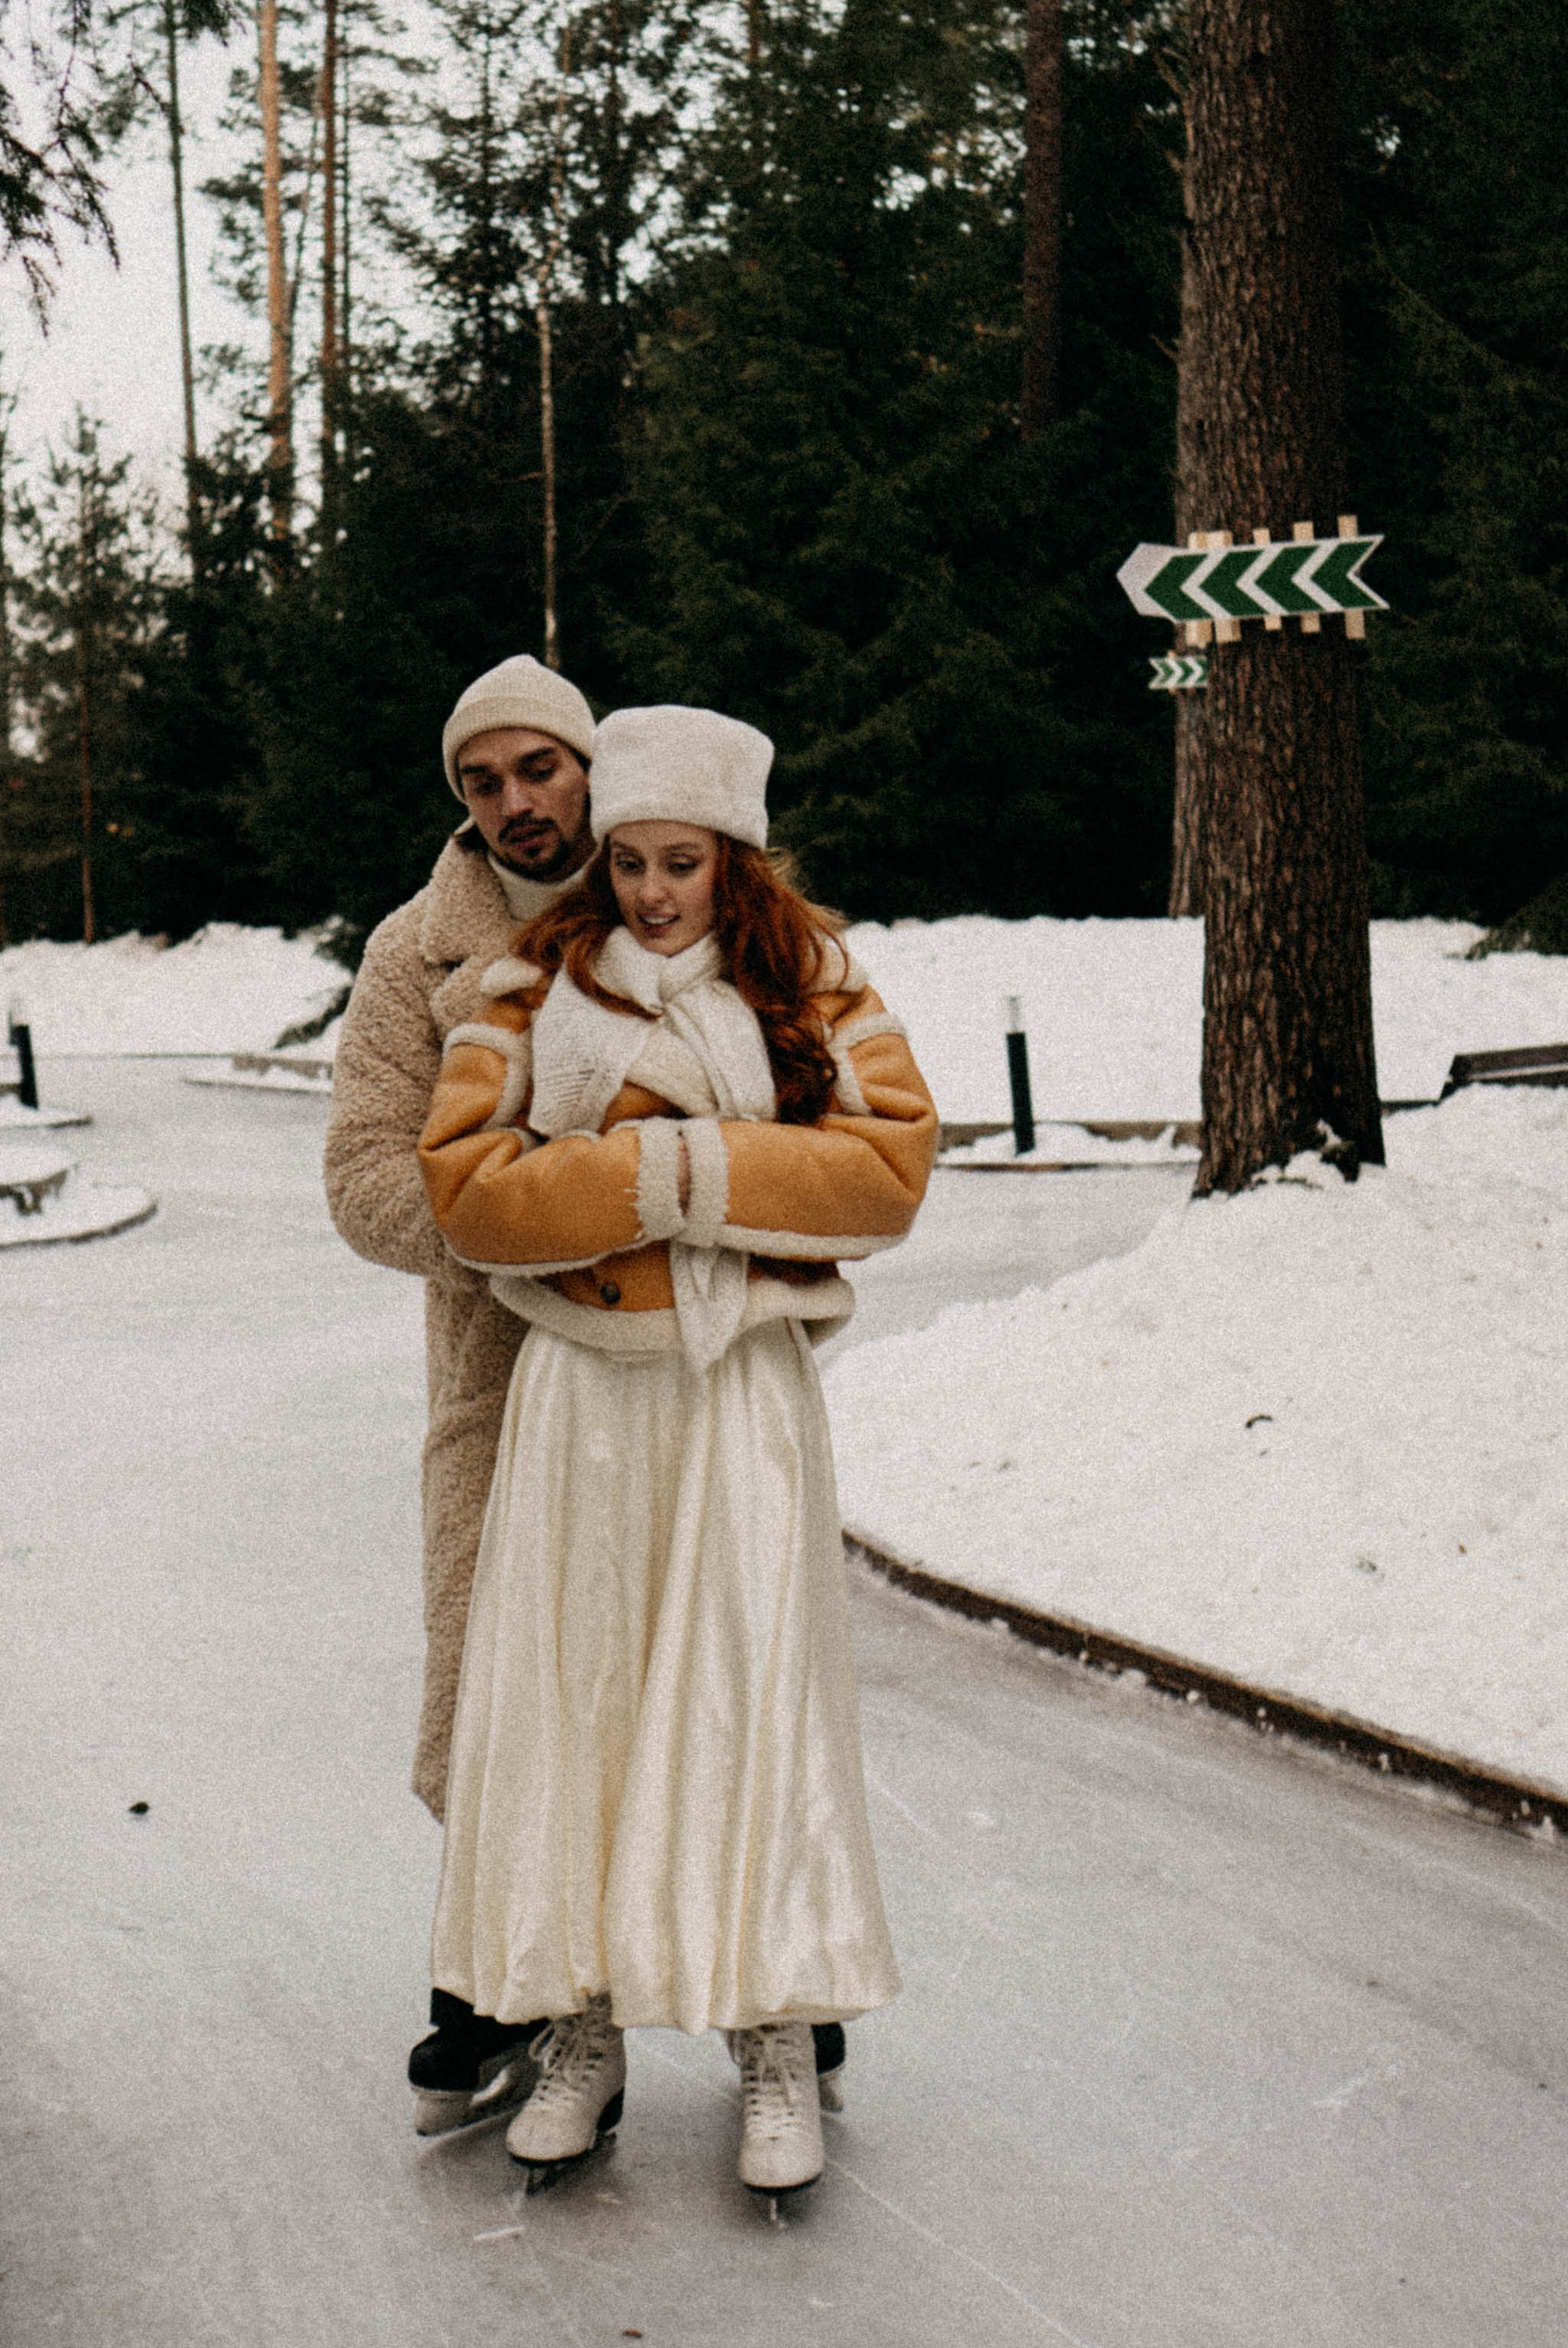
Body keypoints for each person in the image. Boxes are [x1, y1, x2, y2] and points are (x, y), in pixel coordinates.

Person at [417, 703, 938, 2200]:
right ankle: (581, 2030)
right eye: (631, 862)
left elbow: (889, 1168)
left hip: (739, 1396)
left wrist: (675, 1168)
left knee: (754, 1692)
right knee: (576, 1699)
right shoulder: (524, 983)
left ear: (735, 861)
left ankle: (775, 2033)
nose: (652, 892)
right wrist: (661, 1170)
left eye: (683, 863)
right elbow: (468, 1188)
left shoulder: (815, 980)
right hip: (581, 1398)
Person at [324, 653, 598, 2136]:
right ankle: (499, 1984)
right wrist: (521, 1227)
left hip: (671, 1380)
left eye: (536, 769)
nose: (512, 805)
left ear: (588, 767)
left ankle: (764, 1973)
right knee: (497, 1678)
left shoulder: (675, 906)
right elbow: (365, 1176)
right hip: (499, 1384)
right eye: (481, 782)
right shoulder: (409, 955)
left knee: (686, 1658)